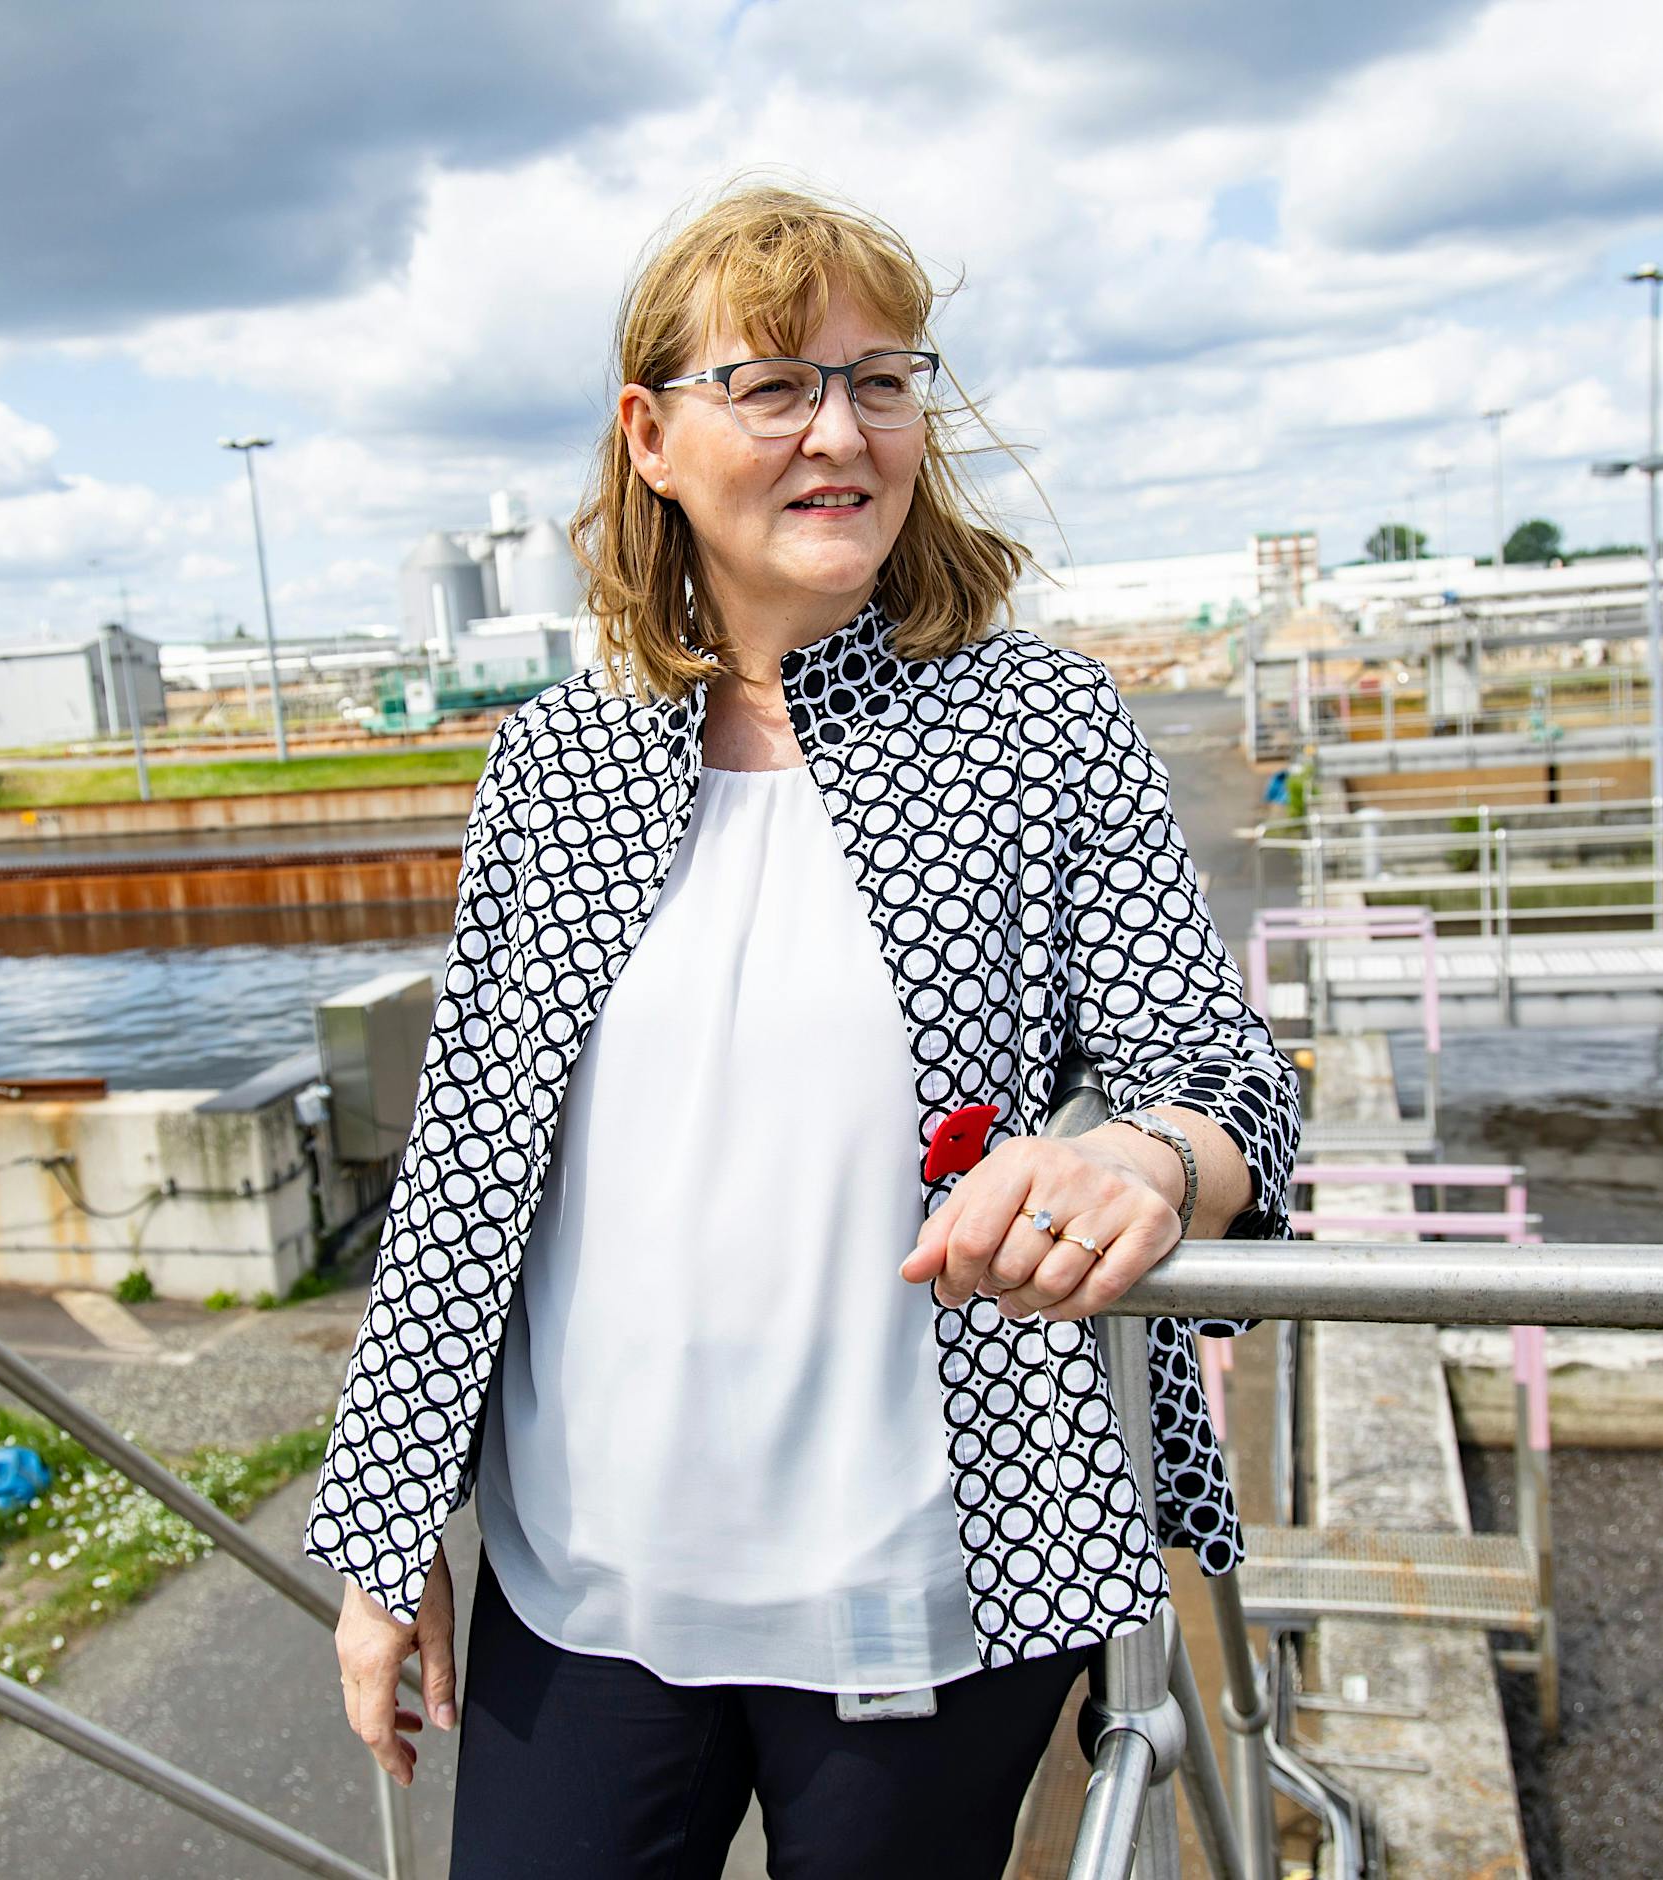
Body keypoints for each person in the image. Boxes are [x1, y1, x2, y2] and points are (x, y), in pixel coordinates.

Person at [304, 178, 1302, 1879]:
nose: (841, 431)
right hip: (584, 1590)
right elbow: (462, 1183)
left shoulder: (1034, 723)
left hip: (928, 1590)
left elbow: (1223, 1080)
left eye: (882, 380)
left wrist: (1144, 1157)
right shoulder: (558, 762)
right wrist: (387, 1548)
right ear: (653, 437)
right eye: (774, 387)